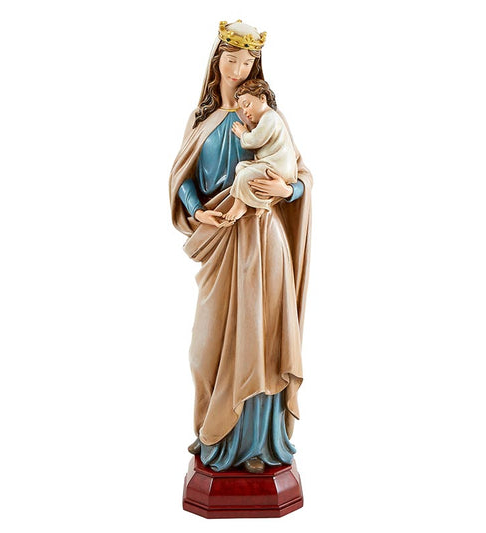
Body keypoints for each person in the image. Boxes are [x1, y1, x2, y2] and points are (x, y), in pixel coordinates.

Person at [169, 20, 312, 474]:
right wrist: (197, 211)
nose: (237, 69)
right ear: (217, 62)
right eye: (230, 59)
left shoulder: (268, 118)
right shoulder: (204, 120)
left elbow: (301, 175)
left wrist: (287, 191)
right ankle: (212, 430)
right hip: (219, 239)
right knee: (205, 349)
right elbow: (182, 177)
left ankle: (256, 446)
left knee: (259, 336)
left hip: (262, 239)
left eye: (247, 62)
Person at [224, 79, 298, 221]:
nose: (245, 112)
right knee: (241, 167)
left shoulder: (270, 117)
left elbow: (255, 140)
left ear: (262, 98)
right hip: (271, 164)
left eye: (247, 105)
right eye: (242, 109)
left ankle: (239, 205)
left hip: (278, 167)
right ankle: (260, 202)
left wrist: (242, 133)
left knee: (244, 175)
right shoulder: (267, 118)